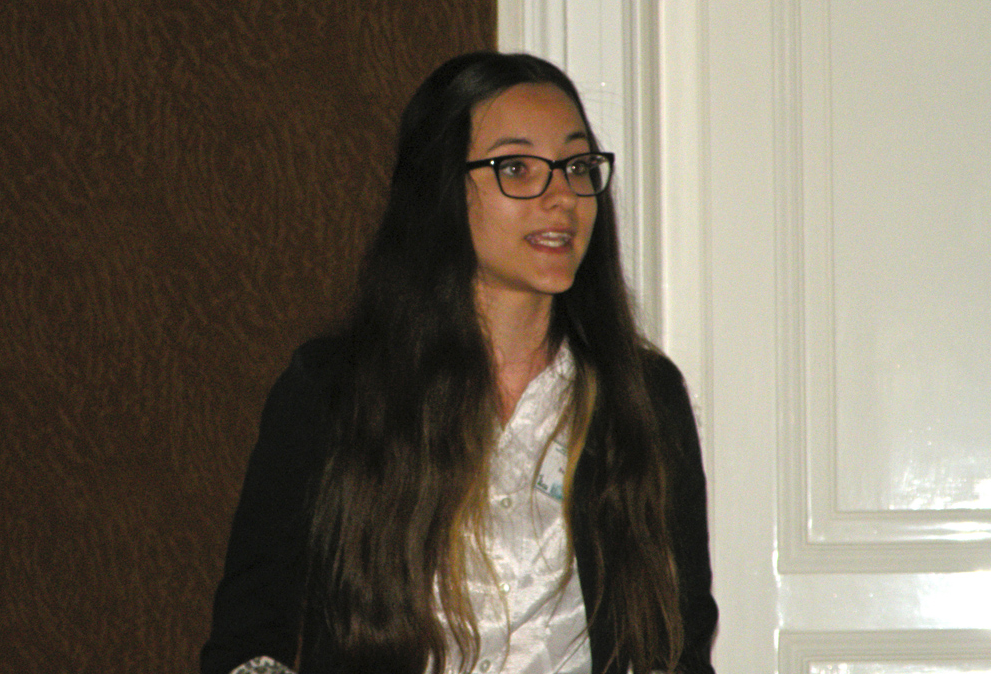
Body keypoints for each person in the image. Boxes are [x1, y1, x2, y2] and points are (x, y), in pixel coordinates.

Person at [201, 52, 717, 674]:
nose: (561, 196)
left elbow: (680, 646)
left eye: (577, 166)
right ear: (441, 188)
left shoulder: (643, 397)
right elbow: (250, 640)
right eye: (517, 168)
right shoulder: (333, 391)